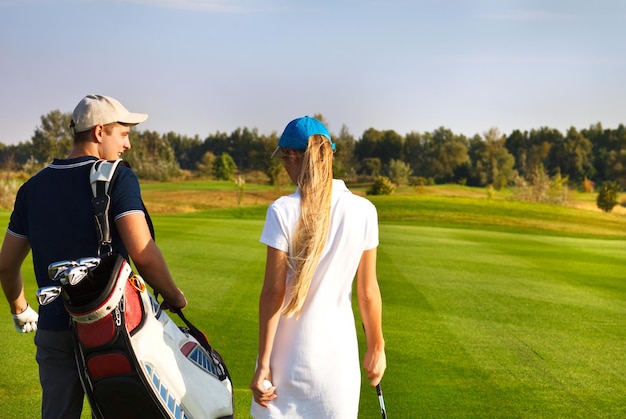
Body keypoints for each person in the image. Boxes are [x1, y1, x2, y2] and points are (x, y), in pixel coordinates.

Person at [0, 94, 187, 418]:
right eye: (124, 134)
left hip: (54, 327)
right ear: (100, 132)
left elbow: (5, 265)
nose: (127, 145)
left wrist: (20, 310)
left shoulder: (31, 188)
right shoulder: (117, 176)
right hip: (114, 331)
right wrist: (174, 296)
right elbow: (143, 253)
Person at [249, 116, 386, 418]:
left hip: (285, 366)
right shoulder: (365, 210)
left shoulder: (282, 210)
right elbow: (368, 292)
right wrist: (377, 347)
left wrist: (262, 365)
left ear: (292, 156)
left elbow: (273, 293)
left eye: (285, 158)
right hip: (339, 368)